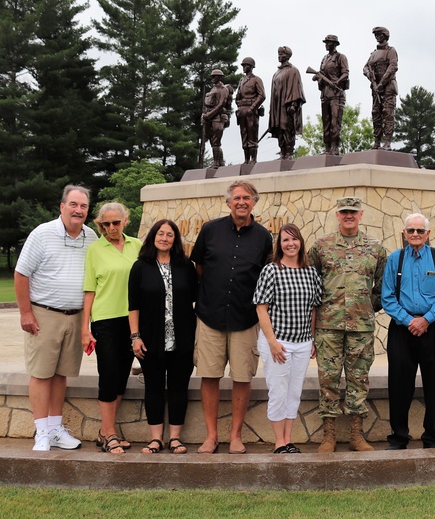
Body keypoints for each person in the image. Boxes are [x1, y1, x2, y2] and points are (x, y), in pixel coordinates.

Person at [190, 179, 273, 453]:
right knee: (210, 375)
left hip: (245, 318)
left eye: (247, 198)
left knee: (242, 377)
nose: (241, 202)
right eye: (236, 198)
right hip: (210, 315)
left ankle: (236, 436)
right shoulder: (210, 230)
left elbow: (265, 275)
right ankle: (211, 436)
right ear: (228, 202)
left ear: (254, 202)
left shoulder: (263, 236)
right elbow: (199, 265)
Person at [14, 184, 94, 452]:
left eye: (83, 206)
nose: (78, 210)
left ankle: (56, 429)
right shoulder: (42, 233)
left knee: (61, 375)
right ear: (62, 206)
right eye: (73, 204)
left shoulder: (91, 237)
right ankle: (42, 432)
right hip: (44, 314)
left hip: (75, 317)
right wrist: (26, 312)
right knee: (41, 373)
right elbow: (21, 274)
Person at [307, 196, 386, 453]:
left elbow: (382, 287)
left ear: (361, 214)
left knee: (358, 379)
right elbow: (311, 283)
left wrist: (365, 307)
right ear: (337, 214)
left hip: (361, 327)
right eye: (344, 212)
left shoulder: (375, 248)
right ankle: (328, 436)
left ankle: (356, 435)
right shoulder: (321, 247)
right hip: (328, 326)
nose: (349, 215)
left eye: (353, 211)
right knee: (328, 379)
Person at [381, 213, 435, 449]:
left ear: (428, 234)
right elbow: (387, 297)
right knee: (399, 384)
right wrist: (408, 320)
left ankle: (432, 437)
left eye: (419, 231)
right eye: (411, 230)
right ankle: (399, 437)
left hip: (432, 328)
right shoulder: (396, 259)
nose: (415, 234)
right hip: (402, 329)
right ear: (404, 233)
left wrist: (426, 320)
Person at [128, 219, 198, 454]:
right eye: (161, 234)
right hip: (150, 340)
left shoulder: (186, 266)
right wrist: (135, 336)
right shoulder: (140, 266)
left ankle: (175, 438)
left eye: (170, 235)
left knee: (179, 387)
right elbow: (133, 306)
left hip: (182, 341)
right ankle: (156, 438)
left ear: (175, 239)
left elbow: (196, 300)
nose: (165, 238)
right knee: (154, 388)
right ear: (153, 237)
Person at [253, 223, 323, 454]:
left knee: (294, 392)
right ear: (279, 245)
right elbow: (261, 309)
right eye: (285, 240)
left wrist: (312, 338)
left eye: (294, 239)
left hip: (302, 343)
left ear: (301, 242)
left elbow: (313, 308)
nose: (290, 244)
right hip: (278, 342)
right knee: (278, 391)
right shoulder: (271, 270)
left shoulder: (311, 272)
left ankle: (289, 439)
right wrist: (272, 342)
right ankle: (279, 443)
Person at [82, 202, 141, 454]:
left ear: (125, 221)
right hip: (105, 320)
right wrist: (85, 328)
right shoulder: (95, 250)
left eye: (115, 223)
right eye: (105, 224)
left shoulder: (137, 246)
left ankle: (105, 432)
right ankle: (110, 434)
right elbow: (89, 290)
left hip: (132, 320)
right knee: (108, 375)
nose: (111, 228)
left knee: (121, 377)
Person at [311, 34, 349, 156]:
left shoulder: (340, 57)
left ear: (334, 44)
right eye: (325, 42)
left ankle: (335, 147)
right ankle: (327, 148)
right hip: (325, 94)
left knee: (335, 122)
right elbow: (321, 73)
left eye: (328, 42)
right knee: (326, 122)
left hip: (336, 94)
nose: (326, 44)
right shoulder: (324, 58)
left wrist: (336, 82)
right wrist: (317, 77)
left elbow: (345, 73)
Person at [362, 26, 398, 150]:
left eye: (379, 34)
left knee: (388, 113)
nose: (377, 36)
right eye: (375, 35)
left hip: (388, 87)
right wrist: (370, 77)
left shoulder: (390, 51)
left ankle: (387, 142)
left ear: (385, 35)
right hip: (375, 88)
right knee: (376, 114)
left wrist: (381, 84)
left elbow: (392, 67)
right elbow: (365, 68)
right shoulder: (373, 54)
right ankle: (377, 141)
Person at [267, 46, 305, 160]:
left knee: (287, 127)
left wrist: (293, 104)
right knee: (279, 128)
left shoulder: (293, 70)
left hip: (287, 105)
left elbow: (296, 88)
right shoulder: (277, 73)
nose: (279, 56)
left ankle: (289, 152)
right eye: (278, 54)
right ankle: (282, 152)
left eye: (282, 54)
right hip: (277, 107)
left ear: (287, 56)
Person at [235, 57, 266, 164]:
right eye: (243, 65)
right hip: (242, 110)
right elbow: (238, 96)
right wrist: (238, 104)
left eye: (245, 65)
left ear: (251, 67)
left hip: (251, 111)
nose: (243, 67)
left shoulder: (256, 80)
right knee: (244, 135)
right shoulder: (242, 80)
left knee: (252, 135)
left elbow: (262, 96)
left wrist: (252, 108)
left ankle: (253, 159)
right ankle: (246, 159)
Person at [202, 69, 233, 169]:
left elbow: (221, 104)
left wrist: (209, 114)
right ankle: (220, 162)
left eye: (214, 76)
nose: (213, 78)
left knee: (216, 141)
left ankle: (216, 163)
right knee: (213, 141)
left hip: (218, 117)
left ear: (219, 77)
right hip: (210, 117)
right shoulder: (213, 89)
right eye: (212, 76)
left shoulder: (223, 89)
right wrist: (204, 115)